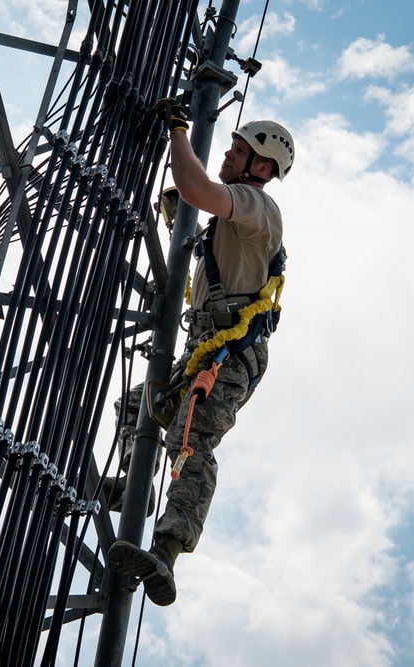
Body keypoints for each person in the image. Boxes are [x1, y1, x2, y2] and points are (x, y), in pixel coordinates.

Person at [106, 99, 294, 606]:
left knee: (192, 432)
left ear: (261, 167)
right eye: (230, 147)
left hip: (232, 352)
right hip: (203, 347)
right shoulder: (229, 222)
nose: (228, 155)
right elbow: (189, 199)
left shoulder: (257, 206)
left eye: (238, 150)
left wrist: (178, 131)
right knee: (137, 405)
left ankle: (166, 551)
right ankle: (136, 488)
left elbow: (195, 188)